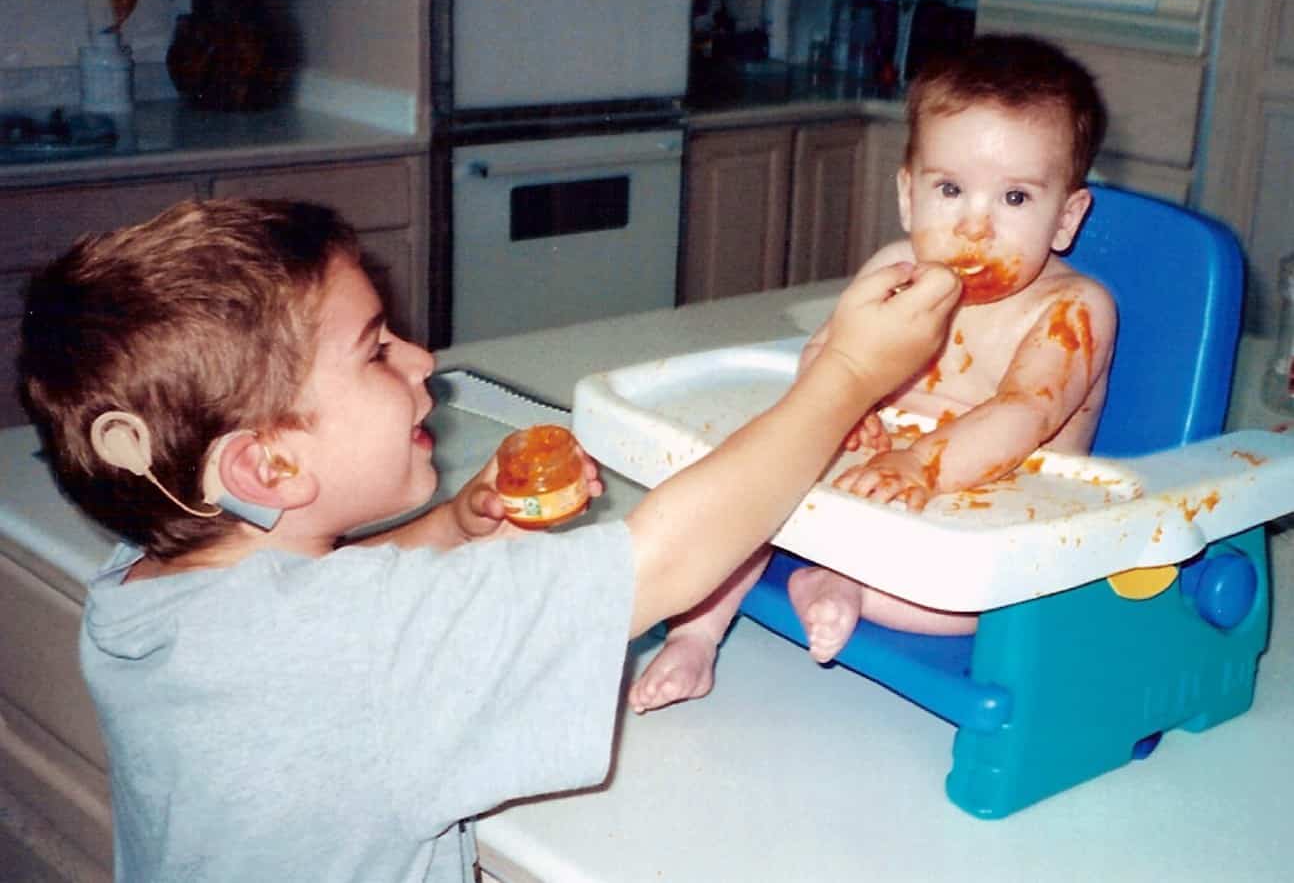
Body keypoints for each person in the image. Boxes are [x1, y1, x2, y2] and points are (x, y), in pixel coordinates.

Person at [18, 197, 960, 882]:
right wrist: (843, 376)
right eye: (378, 350)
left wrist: (451, 529)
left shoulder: (137, 588)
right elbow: (666, 560)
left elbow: (304, 606)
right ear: (268, 470)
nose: (423, 360)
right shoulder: (369, 647)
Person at [629, 33, 1116, 714]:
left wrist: (920, 465)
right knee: (749, 500)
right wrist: (845, 410)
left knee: (973, 606)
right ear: (908, 195)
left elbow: (1023, 411)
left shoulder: (1075, 310)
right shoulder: (897, 270)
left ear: (1065, 218)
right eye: (950, 189)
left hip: (995, 512)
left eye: (1013, 200)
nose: (975, 226)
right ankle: (697, 633)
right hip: (873, 477)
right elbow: (829, 352)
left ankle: (845, 585)